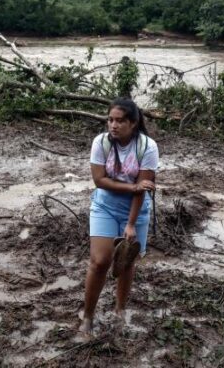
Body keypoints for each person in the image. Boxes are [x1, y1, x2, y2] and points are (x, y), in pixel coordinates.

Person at [79, 97, 159, 335]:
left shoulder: (147, 147)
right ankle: (88, 316)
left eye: (120, 121)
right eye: (110, 120)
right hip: (105, 205)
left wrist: (131, 224)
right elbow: (99, 181)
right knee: (100, 261)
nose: (113, 125)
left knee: (126, 262)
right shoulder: (101, 142)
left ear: (133, 123)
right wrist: (132, 187)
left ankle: (120, 310)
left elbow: (142, 189)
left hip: (136, 209)